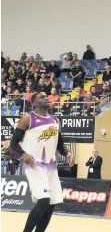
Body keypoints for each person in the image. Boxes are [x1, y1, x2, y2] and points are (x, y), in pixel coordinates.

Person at [9, 92, 73, 232]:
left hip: (51, 166)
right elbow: (13, 143)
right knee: (44, 200)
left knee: (50, 205)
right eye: (42, 97)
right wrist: (23, 153)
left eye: (46, 96)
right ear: (35, 103)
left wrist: (67, 153)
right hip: (34, 164)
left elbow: (59, 144)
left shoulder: (56, 121)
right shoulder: (28, 118)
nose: (46, 98)